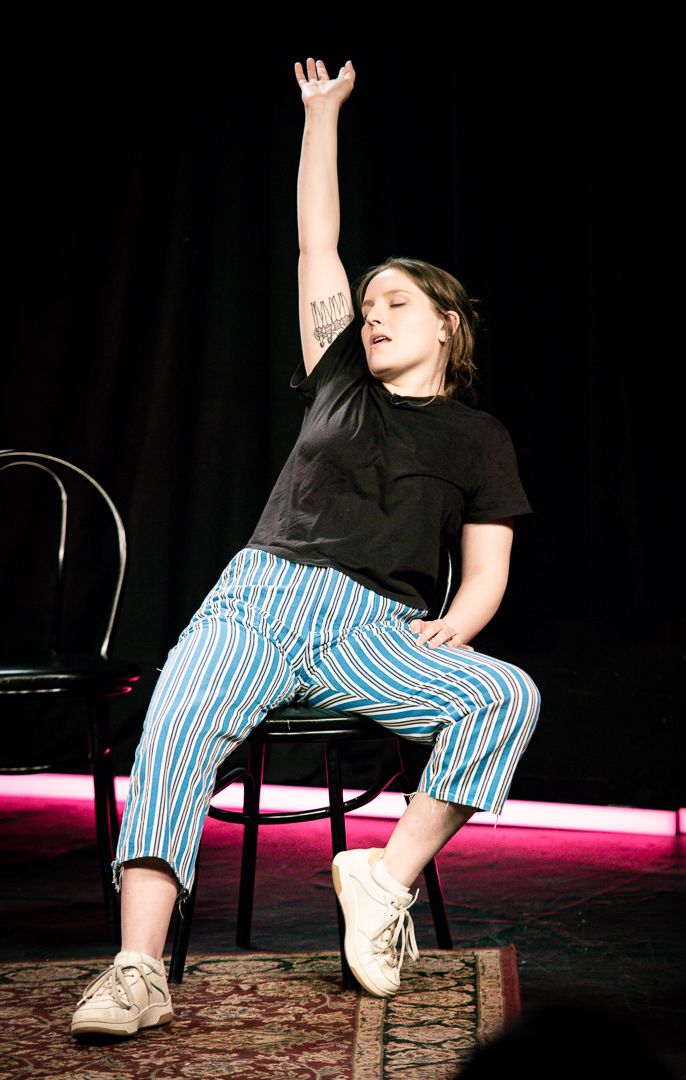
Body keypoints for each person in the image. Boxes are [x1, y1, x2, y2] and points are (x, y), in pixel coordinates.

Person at [70, 57, 540, 1038]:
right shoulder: (340, 380)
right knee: (174, 735)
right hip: (260, 599)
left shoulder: (479, 437)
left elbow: (487, 566)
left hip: (375, 628)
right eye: (367, 307)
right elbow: (315, 239)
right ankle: (136, 969)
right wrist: (321, 114)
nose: (372, 315)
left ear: (447, 322)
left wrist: (460, 621)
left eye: (396, 304)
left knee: (505, 694)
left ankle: (383, 873)